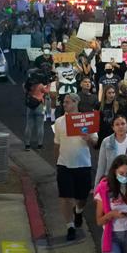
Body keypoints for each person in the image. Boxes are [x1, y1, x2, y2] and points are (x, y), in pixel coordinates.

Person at [54, 94, 98, 242]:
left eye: (67, 102)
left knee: (82, 197)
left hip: (83, 164)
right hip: (64, 165)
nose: (64, 104)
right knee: (65, 197)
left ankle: (78, 211)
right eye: (64, 102)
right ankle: (70, 226)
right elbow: (57, 144)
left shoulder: (86, 120)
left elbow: (95, 142)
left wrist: (89, 138)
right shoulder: (59, 122)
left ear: (75, 102)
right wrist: (57, 162)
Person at [95, 115, 127, 186]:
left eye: (123, 124)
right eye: (117, 124)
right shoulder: (106, 142)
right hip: (111, 182)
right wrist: (97, 189)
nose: (120, 127)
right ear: (113, 127)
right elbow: (101, 167)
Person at [23, 70, 49, 150]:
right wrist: (49, 85)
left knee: (29, 125)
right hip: (39, 105)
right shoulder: (40, 85)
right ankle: (40, 145)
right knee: (40, 126)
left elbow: (25, 92)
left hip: (30, 106)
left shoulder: (25, 85)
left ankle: (27, 145)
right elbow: (47, 92)